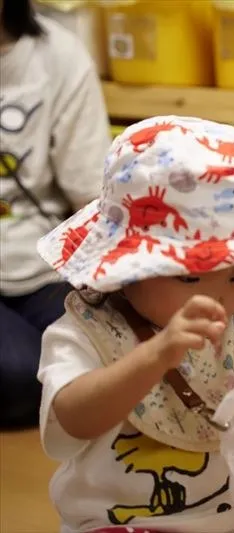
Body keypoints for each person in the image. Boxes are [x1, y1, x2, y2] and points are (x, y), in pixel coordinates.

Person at [35, 116, 234, 533]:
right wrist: (156, 355)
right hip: (124, 522)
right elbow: (72, 422)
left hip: (231, 516)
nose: (218, 297)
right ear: (125, 267)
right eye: (189, 277)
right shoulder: (85, 332)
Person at [0, 0, 110, 427]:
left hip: (41, 262)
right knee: (21, 373)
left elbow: (92, 195)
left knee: (105, 352)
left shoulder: (59, 54)